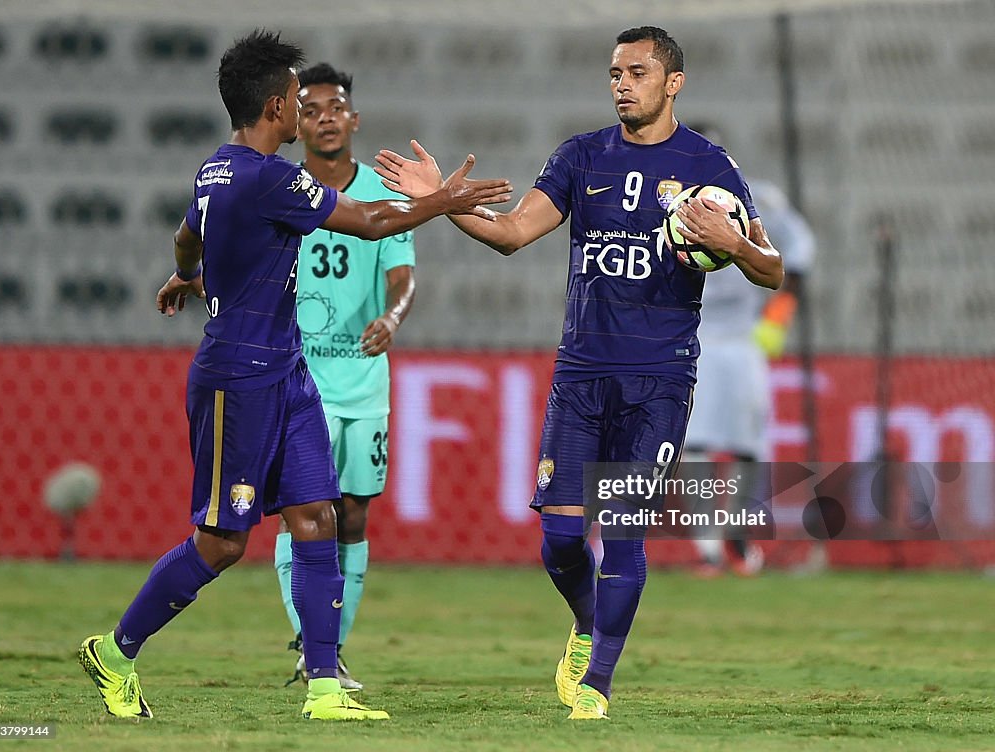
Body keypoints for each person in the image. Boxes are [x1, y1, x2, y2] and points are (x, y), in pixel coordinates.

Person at [77, 30, 510, 723]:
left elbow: (188, 237)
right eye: (295, 98)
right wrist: (447, 201)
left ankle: (325, 688)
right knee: (222, 542)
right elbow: (369, 221)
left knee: (317, 516)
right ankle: (117, 650)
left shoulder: (214, 171)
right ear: (278, 105)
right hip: (237, 379)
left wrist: (188, 276)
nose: (303, 110)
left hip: (287, 370)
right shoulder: (269, 176)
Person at [375, 26, 783, 720]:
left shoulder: (711, 168)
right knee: (562, 539)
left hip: (658, 380)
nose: (622, 82)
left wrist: (735, 242)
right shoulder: (581, 155)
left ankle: (596, 686)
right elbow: (510, 234)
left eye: (638, 71)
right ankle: (588, 624)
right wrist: (441, 203)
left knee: (623, 529)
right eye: (615, 73)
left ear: (672, 82)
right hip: (582, 375)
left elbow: (771, 270)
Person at [274, 62, 417, 691]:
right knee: (305, 512)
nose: (325, 117)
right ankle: (314, 646)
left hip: (363, 381)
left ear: (353, 120)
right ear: (295, 120)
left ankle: (328, 648)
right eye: (311, 108)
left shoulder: (380, 195)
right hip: (299, 380)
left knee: (353, 516)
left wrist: (392, 316)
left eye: (335, 107)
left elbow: (403, 277)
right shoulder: (282, 189)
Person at [681, 123, 817, 577]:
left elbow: (799, 248)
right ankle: (707, 550)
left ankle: (737, 535)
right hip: (686, 339)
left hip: (741, 340)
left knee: (746, 444)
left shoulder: (755, 200)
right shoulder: (659, 204)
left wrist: (777, 319)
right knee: (693, 446)